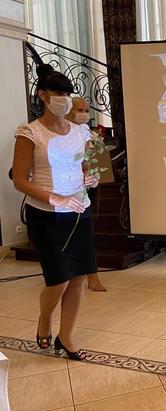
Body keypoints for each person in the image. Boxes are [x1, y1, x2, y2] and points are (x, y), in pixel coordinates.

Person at [12, 64, 99, 360]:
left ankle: (67, 336)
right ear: (43, 95)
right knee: (58, 278)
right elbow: (20, 179)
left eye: (67, 94)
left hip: (79, 211)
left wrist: (90, 176)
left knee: (79, 277)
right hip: (46, 215)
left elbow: (85, 166)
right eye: (58, 94)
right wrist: (54, 197)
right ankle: (45, 318)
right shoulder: (30, 133)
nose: (63, 99)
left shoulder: (80, 131)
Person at [66, 97, 107, 292]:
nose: (84, 114)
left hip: (82, 192)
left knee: (86, 237)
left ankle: (92, 276)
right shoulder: (57, 132)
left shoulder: (87, 134)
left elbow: (91, 162)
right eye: (79, 110)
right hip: (61, 194)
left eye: (86, 110)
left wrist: (91, 174)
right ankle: (69, 274)